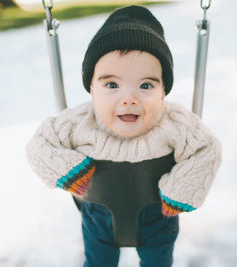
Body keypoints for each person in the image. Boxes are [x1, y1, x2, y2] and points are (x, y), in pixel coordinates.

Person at [26, 5, 222, 267]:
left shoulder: (177, 124)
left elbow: (208, 149)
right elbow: (39, 145)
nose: (129, 99)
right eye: (112, 85)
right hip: (98, 221)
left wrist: (182, 188)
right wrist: (66, 169)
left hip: (158, 220)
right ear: (92, 89)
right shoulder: (77, 122)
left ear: (163, 91)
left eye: (146, 85)